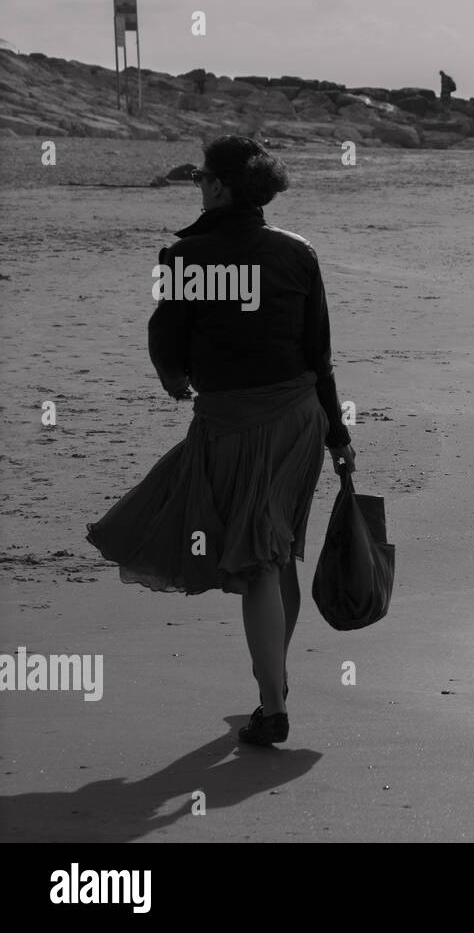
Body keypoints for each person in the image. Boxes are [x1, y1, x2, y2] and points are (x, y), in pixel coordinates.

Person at [86, 134, 356, 747]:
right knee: (274, 550)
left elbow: (168, 344)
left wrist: (176, 380)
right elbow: (320, 355)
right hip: (300, 418)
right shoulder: (298, 253)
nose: (200, 185)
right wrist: (338, 433)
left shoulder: (187, 258)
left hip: (234, 423)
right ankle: (273, 688)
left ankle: (273, 705)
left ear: (220, 187)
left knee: (259, 558)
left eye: (205, 177)